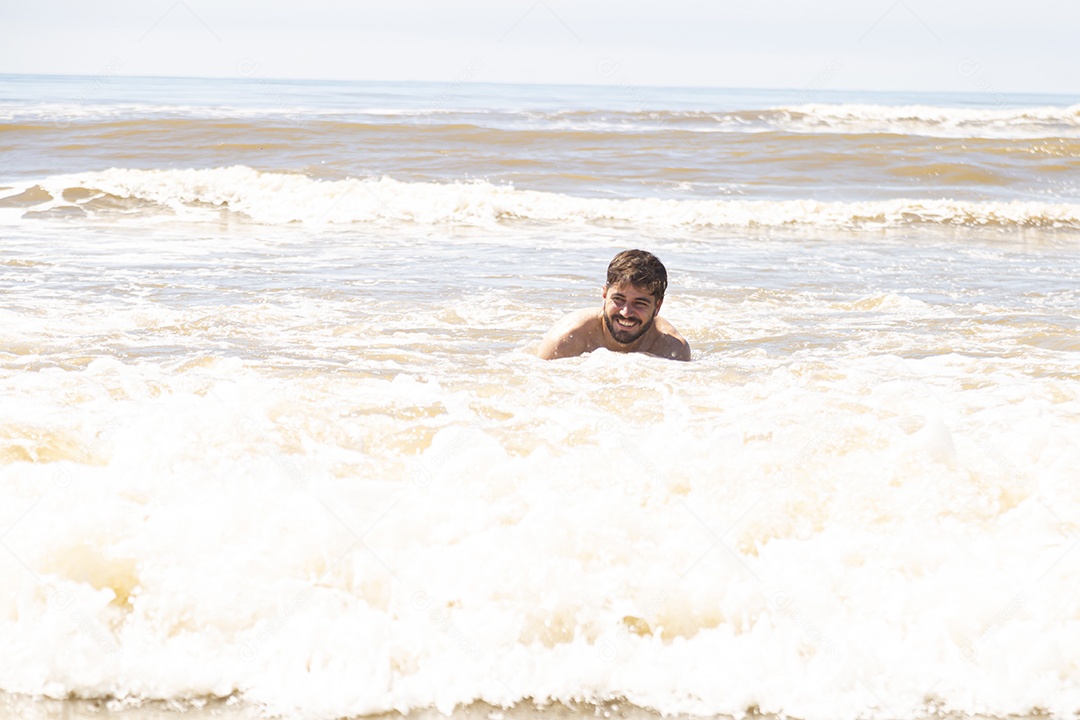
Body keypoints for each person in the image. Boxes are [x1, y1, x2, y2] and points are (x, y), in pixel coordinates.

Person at [538, 249, 691, 361]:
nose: (626, 312)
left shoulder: (671, 350)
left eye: (639, 303)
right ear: (604, 295)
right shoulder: (567, 340)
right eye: (618, 299)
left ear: (658, 306)